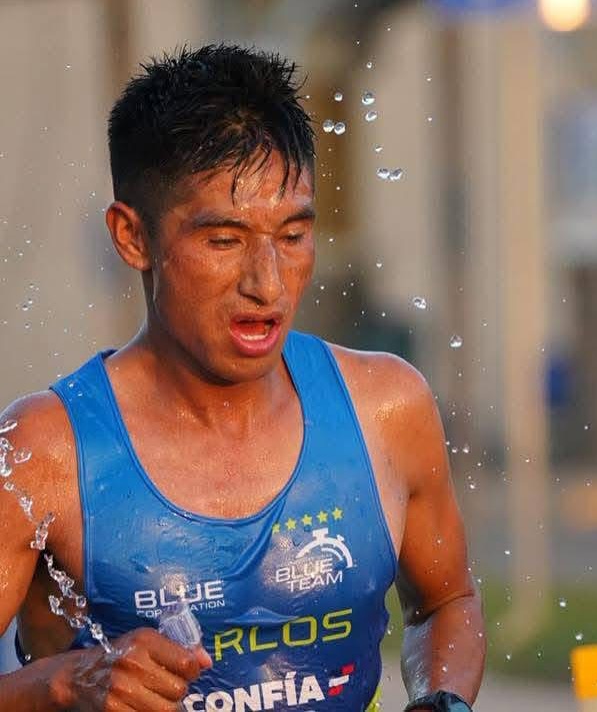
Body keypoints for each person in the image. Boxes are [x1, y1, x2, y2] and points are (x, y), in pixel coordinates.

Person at [0, 44, 485, 711]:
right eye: (224, 241)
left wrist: (444, 700)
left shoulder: (386, 407)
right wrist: (66, 683)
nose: (268, 284)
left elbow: (447, 602)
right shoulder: (43, 453)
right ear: (133, 237)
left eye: (292, 236)